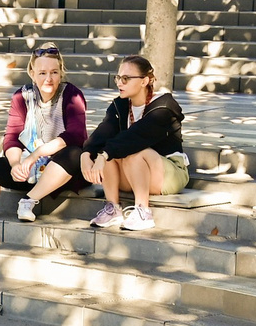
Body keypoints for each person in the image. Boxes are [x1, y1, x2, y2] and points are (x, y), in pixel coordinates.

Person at [0, 46, 88, 245]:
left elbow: (76, 135)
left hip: (63, 173)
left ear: (61, 72)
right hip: (33, 170)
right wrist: (15, 164)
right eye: (42, 73)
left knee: (74, 153)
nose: (49, 79)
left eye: (54, 72)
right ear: (32, 73)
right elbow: (11, 136)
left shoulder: (72, 95)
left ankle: (28, 201)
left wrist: (36, 154)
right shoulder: (22, 97)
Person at [81, 54, 189, 232]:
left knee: (132, 151)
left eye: (126, 78)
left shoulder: (164, 107)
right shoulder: (120, 105)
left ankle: (143, 212)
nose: (119, 83)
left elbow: (136, 137)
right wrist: (86, 153)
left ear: (144, 81)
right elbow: (103, 131)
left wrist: (104, 155)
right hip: (135, 174)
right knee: (110, 150)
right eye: (118, 78)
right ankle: (113, 209)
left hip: (169, 173)